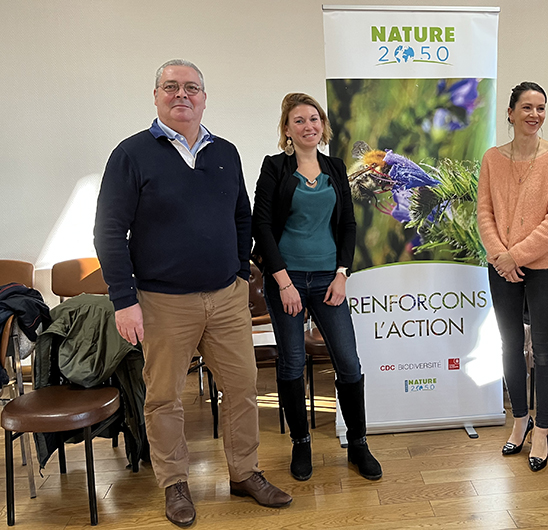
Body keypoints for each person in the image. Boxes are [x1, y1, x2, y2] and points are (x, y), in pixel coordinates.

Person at [94, 59, 292, 527]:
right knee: (165, 397)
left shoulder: (225, 152)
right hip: (162, 301)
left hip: (226, 296)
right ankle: (175, 484)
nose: (182, 94)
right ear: (156, 95)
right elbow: (108, 232)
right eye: (171, 87)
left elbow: (242, 216)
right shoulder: (131, 154)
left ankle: (244, 473)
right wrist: (124, 300)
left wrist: (241, 273)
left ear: (204, 97)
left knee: (243, 389)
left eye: (192, 88)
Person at [251, 92, 382, 482]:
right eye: (299, 121)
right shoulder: (274, 168)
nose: (308, 126)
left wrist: (342, 272)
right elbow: (261, 226)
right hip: (286, 281)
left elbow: (347, 225)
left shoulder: (336, 168)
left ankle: (358, 443)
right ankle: (301, 443)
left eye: (314, 119)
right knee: (291, 362)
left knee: (349, 363)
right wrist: (284, 282)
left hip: (329, 279)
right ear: (286, 130)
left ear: (322, 126)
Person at [477, 82, 548, 472]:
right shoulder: (492, 158)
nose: (534, 115)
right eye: (527, 107)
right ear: (510, 113)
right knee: (509, 346)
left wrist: (514, 255)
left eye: (541, 108)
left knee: (545, 351)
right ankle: (520, 420)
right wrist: (500, 257)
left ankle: (543, 431)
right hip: (501, 267)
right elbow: (484, 212)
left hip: (545, 268)